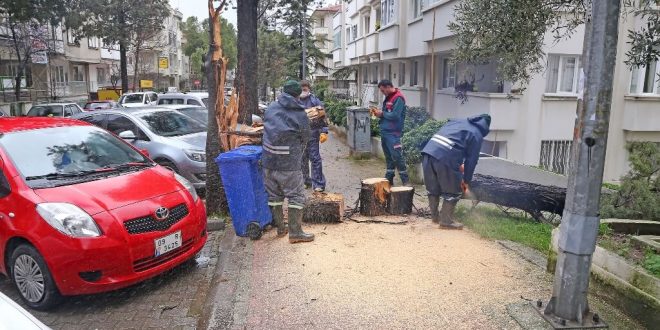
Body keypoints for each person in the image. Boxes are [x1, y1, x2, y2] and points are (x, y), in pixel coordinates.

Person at [262, 80, 315, 243]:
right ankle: (296, 233)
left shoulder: (270, 108)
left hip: (268, 162)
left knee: (274, 196)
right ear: (298, 94)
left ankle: (280, 228)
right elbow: (306, 136)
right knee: (296, 197)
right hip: (289, 164)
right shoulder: (300, 113)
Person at [421, 114, 491, 230]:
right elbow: (472, 161)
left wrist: (457, 162)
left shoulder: (458, 121)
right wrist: (466, 181)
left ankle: (434, 217)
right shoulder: (477, 134)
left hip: (428, 152)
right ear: (486, 128)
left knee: (433, 189)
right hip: (445, 158)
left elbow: (453, 141)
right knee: (452, 192)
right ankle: (446, 221)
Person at [371, 79, 408, 186]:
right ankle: (389, 179)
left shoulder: (398, 98)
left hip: (393, 133)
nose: (383, 93)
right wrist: (379, 113)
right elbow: (387, 112)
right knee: (388, 157)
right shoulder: (389, 97)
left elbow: (395, 115)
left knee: (397, 156)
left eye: (383, 90)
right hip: (385, 132)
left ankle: (406, 181)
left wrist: (382, 114)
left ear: (388, 87)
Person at [299, 80, 328, 192]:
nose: (303, 91)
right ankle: (305, 181)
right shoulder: (295, 101)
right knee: (302, 159)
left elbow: (322, 117)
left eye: (305, 89)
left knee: (315, 159)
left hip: (312, 134)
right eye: (301, 89)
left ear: (309, 89)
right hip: (299, 135)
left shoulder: (315, 101)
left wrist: (324, 131)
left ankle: (318, 184)